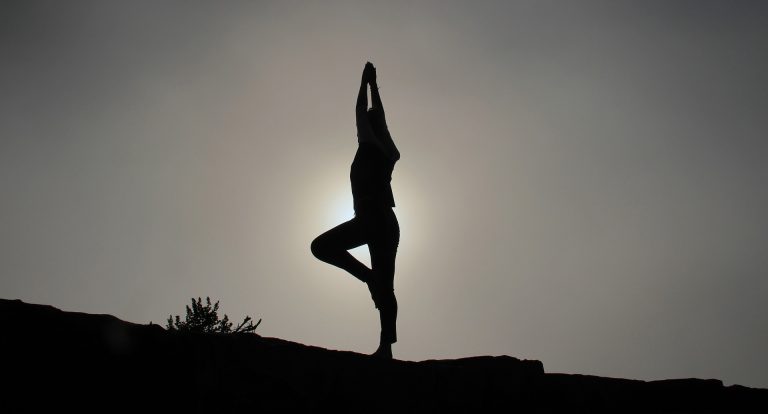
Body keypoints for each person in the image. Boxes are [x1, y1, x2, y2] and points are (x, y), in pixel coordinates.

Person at [311, 61, 401, 359]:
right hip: (388, 222)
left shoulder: (370, 144)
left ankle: (368, 278)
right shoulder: (389, 152)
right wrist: (375, 86)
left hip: (371, 217)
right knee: (386, 287)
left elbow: (363, 113)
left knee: (321, 246)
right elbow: (380, 118)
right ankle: (386, 347)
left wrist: (365, 85)